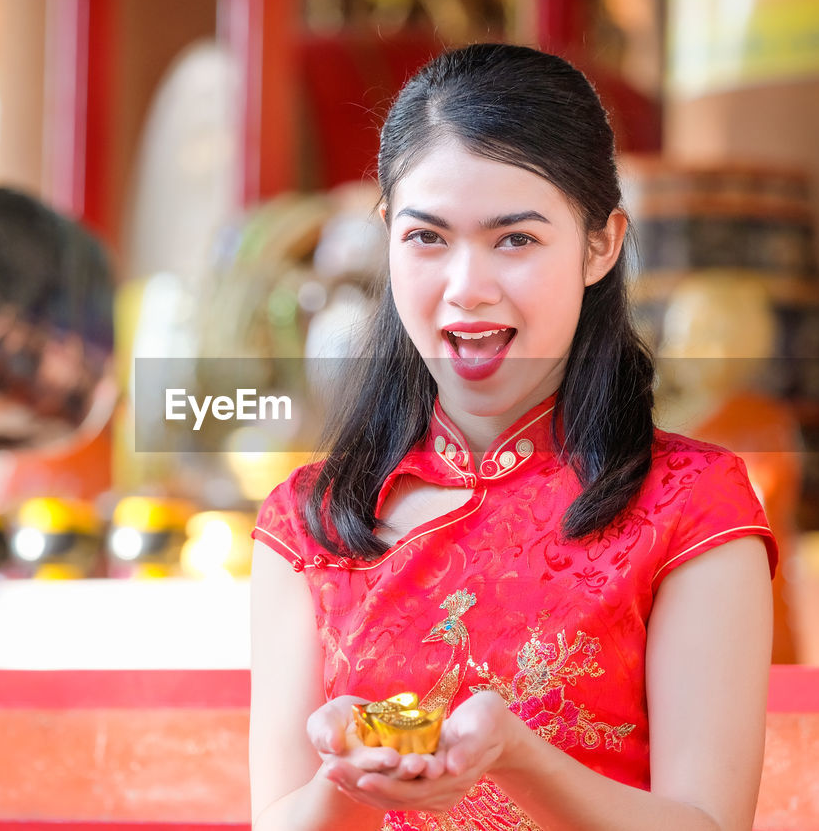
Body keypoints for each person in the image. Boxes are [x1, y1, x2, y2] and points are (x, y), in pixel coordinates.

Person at [249, 44, 776, 831]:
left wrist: (520, 757)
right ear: (389, 235)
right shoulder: (307, 521)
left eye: (516, 240)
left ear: (601, 245)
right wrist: (351, 774)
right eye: (428, 238)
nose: (467, 287)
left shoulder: (694, 509)